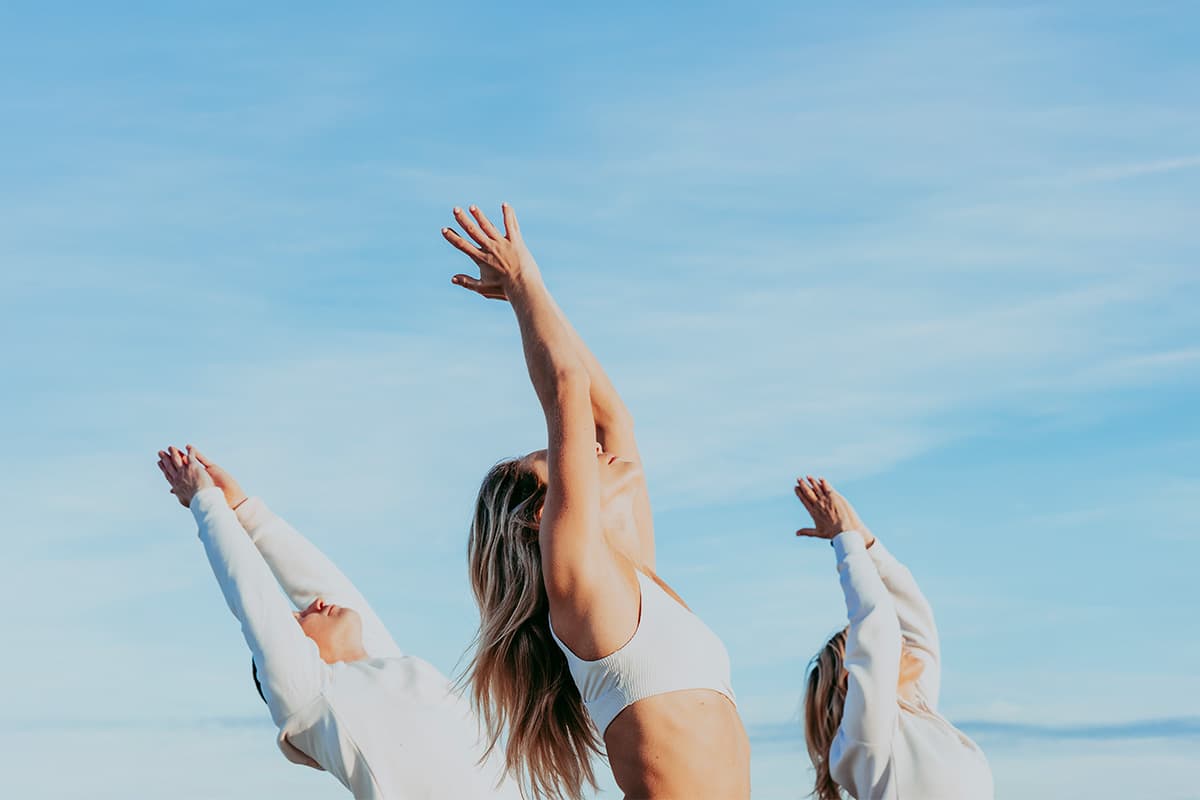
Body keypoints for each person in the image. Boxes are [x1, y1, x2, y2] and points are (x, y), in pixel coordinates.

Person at [441, 204, 750, 800]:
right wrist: (525, 280)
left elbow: (612, 417)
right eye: (562, 459)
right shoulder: (578, 585)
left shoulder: (633, 581)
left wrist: (525, 295)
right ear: (545, 516)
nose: (592, 450)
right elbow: (566, 389)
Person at [156, 445, 522, 800]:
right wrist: (205, 501)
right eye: (297, 619)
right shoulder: (310, 696)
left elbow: (328, 588)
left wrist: (244, 511)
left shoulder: (389, 668)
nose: (313, 604)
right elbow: (254, 596)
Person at [794, 476, 994, 800]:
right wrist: (844, 541)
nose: (903, 644)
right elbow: (877, 623)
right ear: (855, 680)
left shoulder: (916, 718)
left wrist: (863, 539)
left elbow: (916, 619)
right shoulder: (867, 737)